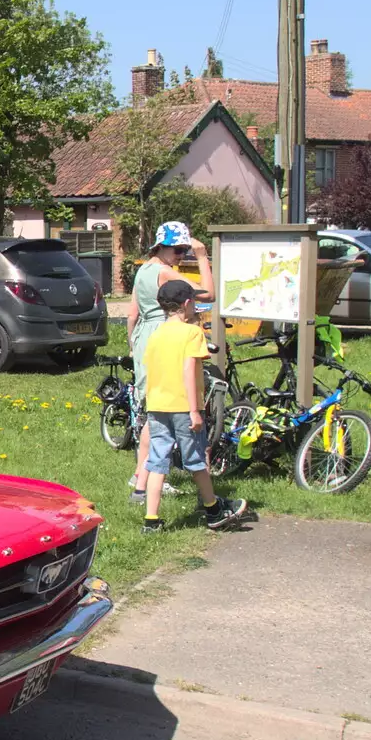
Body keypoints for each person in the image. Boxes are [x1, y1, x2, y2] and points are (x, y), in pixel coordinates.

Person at [141, 278, 247, 532]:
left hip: (156, 405)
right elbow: (189, 369)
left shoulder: (155, 334)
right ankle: (212, 509)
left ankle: (151, 520)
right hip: (182, 406)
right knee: (196, 459)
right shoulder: (192, 333)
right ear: (187, 304)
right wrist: (194, 409)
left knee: (158, 460)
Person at [127, 221, 213, 504]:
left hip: (145, 337)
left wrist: (133, 344)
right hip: (166, 333)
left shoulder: (143, 270)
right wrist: (202, 258)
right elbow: (208, 295)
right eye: (178, 250)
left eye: (185, 251)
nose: (180, 256)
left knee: (152, 408)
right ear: (161, 247)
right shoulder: (166, 272)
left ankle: (141, 476)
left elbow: (132, 313)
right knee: (163, 412)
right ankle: (146, 477)